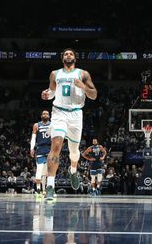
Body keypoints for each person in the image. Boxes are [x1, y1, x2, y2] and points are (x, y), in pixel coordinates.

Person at [40, 48, 98, 201]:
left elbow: (94, 95)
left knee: (74, 152)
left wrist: (83, 87)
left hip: (76, 114)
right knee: (56, 145)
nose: (68, 55)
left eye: (71, 54)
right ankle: (50, 186)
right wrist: (47, 94)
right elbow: (52, 91)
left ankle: (73, 171)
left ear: (75, 58)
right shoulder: (55, 74)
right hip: (59, 112)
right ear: (62, 58)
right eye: (65, 54)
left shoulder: (83, 74)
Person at [30, 110, 52, 197]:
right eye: (43, 113)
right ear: (41, 115)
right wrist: (32, 148)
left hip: (50, 149)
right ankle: (38, 189)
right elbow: (33, 137)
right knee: (39, 170)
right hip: (40, 149)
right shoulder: (36, 125)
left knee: (49, 172)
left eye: (47, 114)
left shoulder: (52, 125)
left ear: (49, 116)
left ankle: (49, 189)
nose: (45, 115)